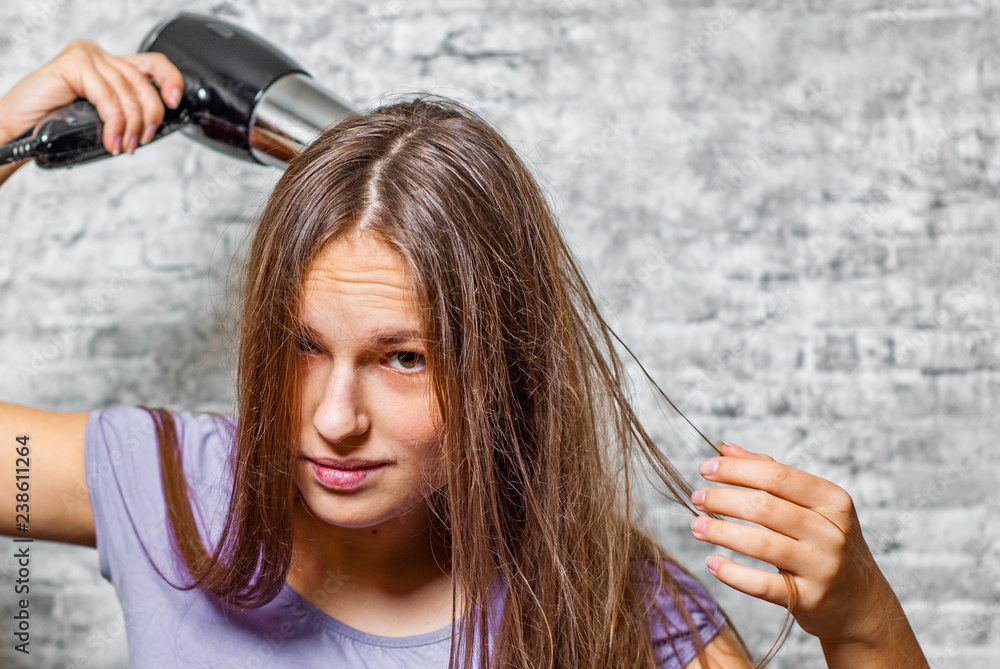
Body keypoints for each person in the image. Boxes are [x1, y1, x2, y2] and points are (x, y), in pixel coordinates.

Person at [0, 39, 929, 668]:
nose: (333, 417)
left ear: (500, 368)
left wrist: (862, 621)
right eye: (302, 345)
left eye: (403, 357)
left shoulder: (615, 605)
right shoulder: (167, 485)